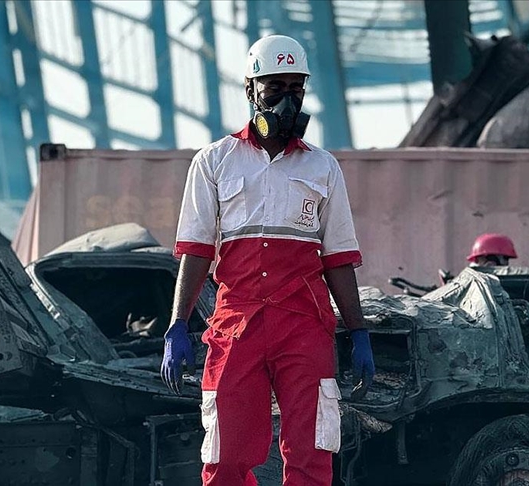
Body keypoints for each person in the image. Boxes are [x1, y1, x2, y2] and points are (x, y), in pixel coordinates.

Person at [161, 35, 375, 486]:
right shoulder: (214, 161)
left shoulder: (322, 167)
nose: (287, 100)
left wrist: (358, 332)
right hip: (236, 324)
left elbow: (338, 257)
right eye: (275, 87)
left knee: (311, 453)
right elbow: (196, 250)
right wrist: (178, 324)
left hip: (305, 325)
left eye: (296, 88)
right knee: (226, 454)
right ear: (250, 90)